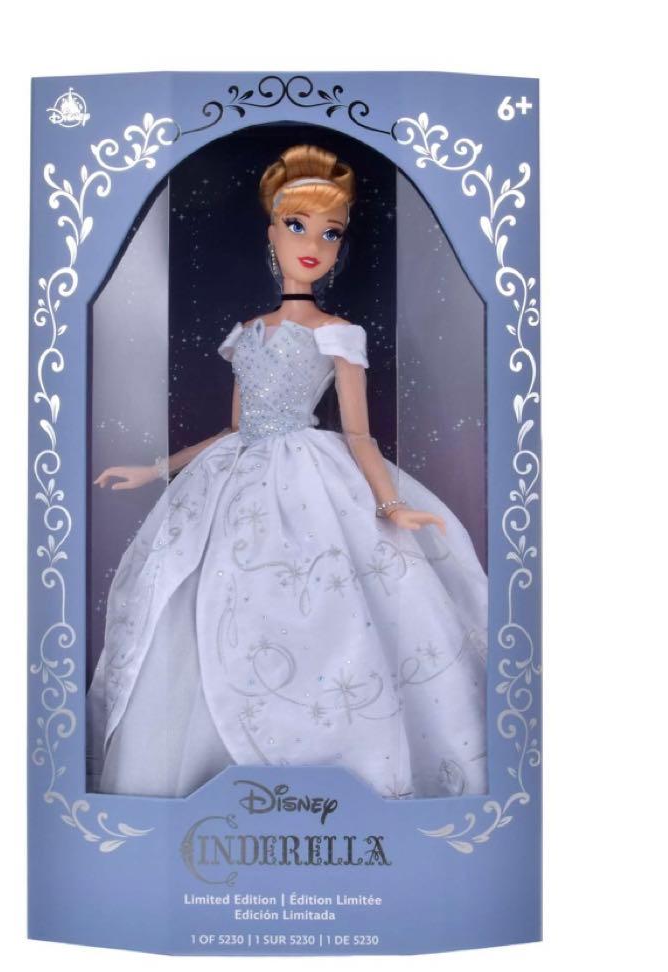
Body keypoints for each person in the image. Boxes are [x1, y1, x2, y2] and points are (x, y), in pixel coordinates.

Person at [87, 144, 488, 800]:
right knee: (201, 597)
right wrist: (154, 468)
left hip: (309, 478)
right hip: (232, 481)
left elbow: (358, 435)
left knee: (327, 607)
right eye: (297, 226)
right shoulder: (245, 333)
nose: (313, 245)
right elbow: (234, 429)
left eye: (331, 233)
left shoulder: (338, 334)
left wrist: (389, 503)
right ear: (270, 234)